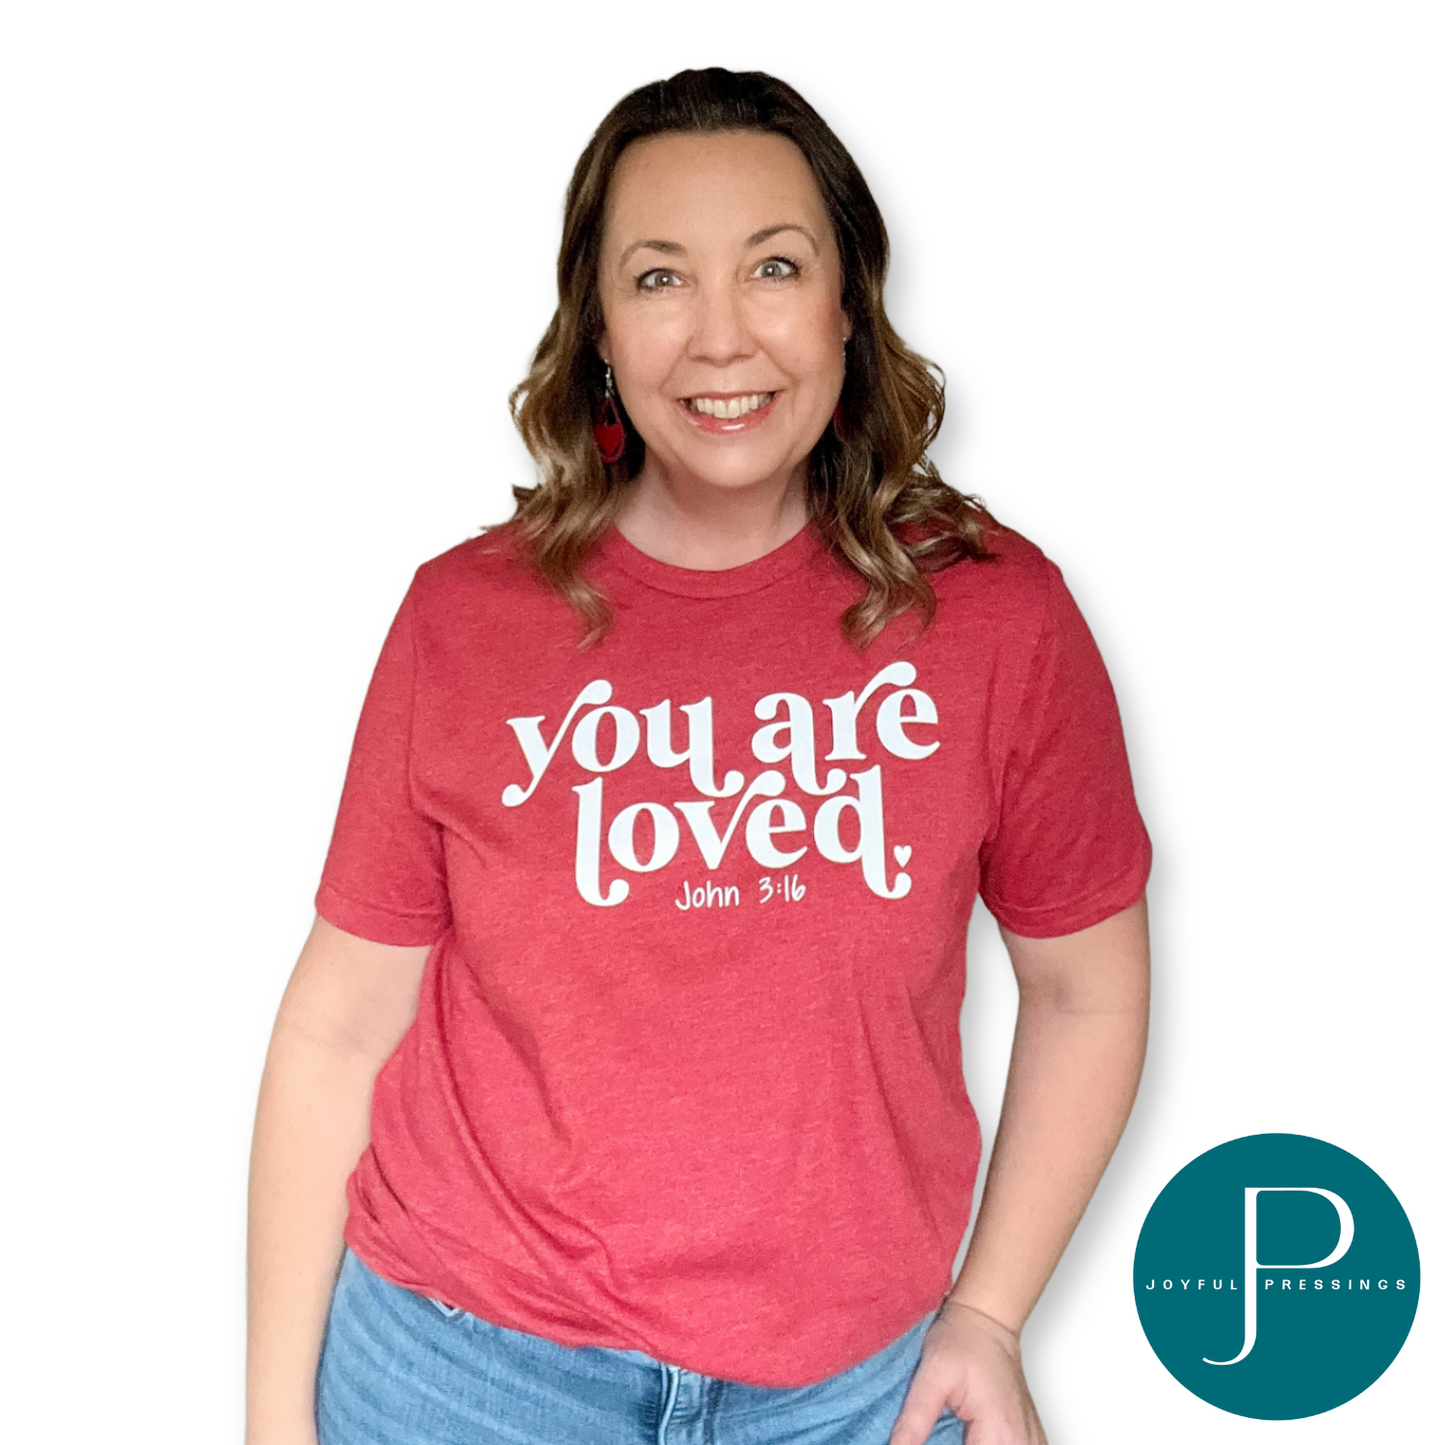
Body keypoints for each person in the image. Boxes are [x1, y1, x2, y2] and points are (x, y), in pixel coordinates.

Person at [246, 67, 1151, 1445]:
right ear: (600, 328)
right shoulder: (465, 621)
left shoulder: (996, 620)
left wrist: (989, 1314)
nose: (721, 339)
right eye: (661, 279)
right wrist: (269, 1424)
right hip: (461, 1375)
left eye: (774, 268)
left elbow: (1085, 990)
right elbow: (338, 1025)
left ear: (847, 304)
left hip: (853, 1395)